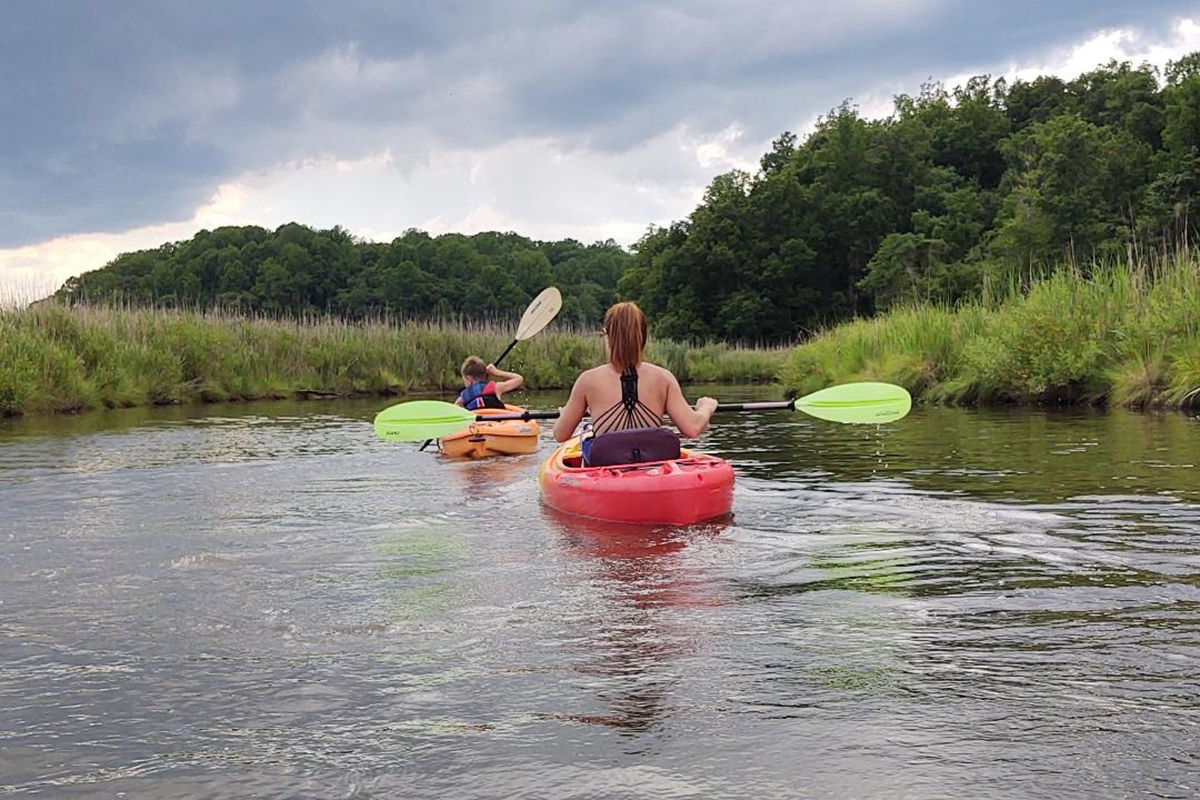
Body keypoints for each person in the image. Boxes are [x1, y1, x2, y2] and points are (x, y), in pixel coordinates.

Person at [553, 302, 717, 464]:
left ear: (608, 337)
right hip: (652, 468)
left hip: (607, 470)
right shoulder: (663, 378)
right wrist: (706, 407)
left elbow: (561, 434)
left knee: (588, 444)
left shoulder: (588, 381)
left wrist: (565, 415)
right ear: (643, 337)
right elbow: (693, 428)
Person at [456, 356, 523, 410]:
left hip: (477, 425)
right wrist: (497, 372)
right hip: (497, 424)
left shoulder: (461, 399)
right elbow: (519, 379)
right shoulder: (496, 388)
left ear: (468, 379)